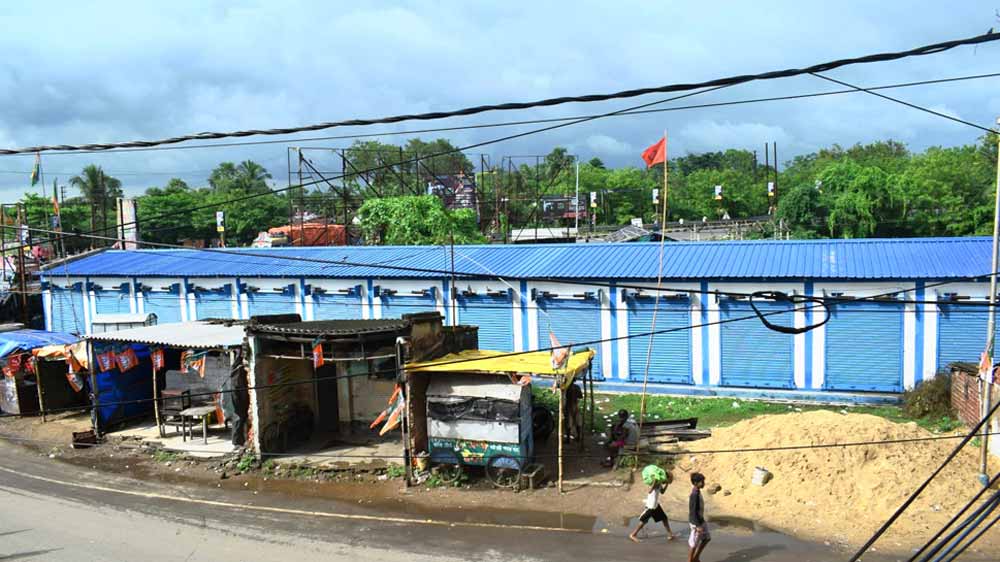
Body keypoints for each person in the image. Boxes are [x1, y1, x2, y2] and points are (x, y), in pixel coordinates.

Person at [629, 473, 676, 542]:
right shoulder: (656, 483)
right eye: (668, 480)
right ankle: (633, 535)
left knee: (664, 519)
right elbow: (652, 488)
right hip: (651, 506)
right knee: (644, 521)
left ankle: (670, 534)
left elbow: (662, 492)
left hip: (655, 505)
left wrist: (667, 484)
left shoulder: (659, 484)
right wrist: (654, 484)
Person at [688, 472, 711, 562]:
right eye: (702, 482)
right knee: (693, 544)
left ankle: (696, 557)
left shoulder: (698, 492)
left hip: (700, 520)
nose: (703, 483)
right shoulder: (694, 495)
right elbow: (693, 511)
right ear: (695, 483)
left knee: (706, 538)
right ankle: (690, 560)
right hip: (696, 522)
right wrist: (697, 526)